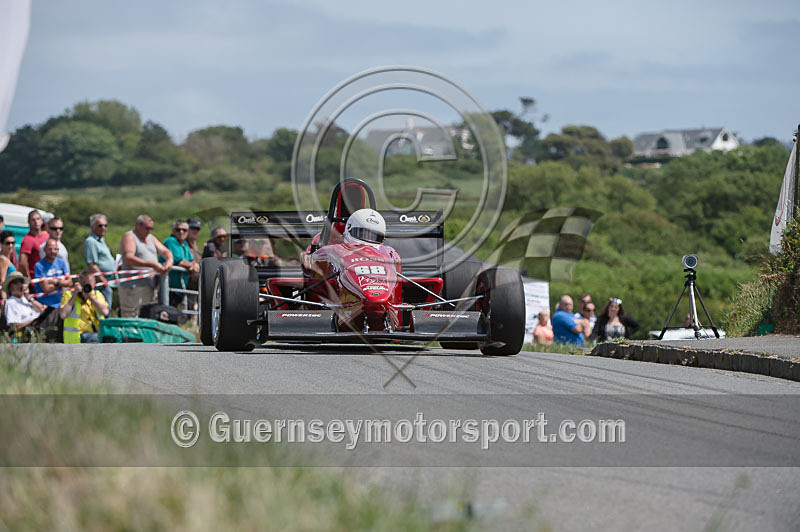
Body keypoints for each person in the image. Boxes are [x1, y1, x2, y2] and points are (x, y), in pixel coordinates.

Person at [118, 215, 173, 318]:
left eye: (151, 228)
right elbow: (128, 258)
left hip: (150, 286)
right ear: (138, 225)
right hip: (133, 287)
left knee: (148, 316)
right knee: (132, 316)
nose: (149, 231)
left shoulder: (151, 238)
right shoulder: (130, 237)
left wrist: (169, 260)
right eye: (147, 228)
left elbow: (165, 251)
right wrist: (152, 264)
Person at [59, 271, 109, 343]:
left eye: (89, 284)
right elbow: (63, 315)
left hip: (95, 333)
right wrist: (75, 295)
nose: (86, 287)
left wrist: (90, 297)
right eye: (84, 284)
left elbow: (105, 312)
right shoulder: (69, 295)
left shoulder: (97, 295)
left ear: (94, 284)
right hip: (75, 337)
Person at [161, 219, 198, 308]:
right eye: (178, 229)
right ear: (173, 231)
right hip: (168, 286)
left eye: (184, 230)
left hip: (180, 287)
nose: (181, 232)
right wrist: (193, 266)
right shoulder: (171, 241)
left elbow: (191, 260)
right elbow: (179, 261)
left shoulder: (185, 244)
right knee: (167, 310)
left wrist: (194, 265)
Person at [84, 214, 116, 309]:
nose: (103, 228)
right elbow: (92, 264)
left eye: (105, 225)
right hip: (100, 284)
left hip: (109, 282)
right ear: (92, 226)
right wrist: (103, 281)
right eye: (100, 226)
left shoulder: (101, 240)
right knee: (103, 310)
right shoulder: (91, 241)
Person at [33, 238, 73, 309]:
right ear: (45, 250)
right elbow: (46, 288)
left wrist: (55, 282)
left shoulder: (62, 263)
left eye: (55, 249)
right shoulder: (39, 266)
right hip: (46, 305)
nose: (52, 251)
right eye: (50, 249)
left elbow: (70, 282)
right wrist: (61, 283)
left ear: (58, 250)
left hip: (61, 303)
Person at [18, 210, 48, 278]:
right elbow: (22, 263)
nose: (36, 222)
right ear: (29, 222)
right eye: (33, 220)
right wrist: (29, 279)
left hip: (48, 276)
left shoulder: (47, 236)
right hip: (36, 278)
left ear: (42, 221)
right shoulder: (27, 240)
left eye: (38, 219)